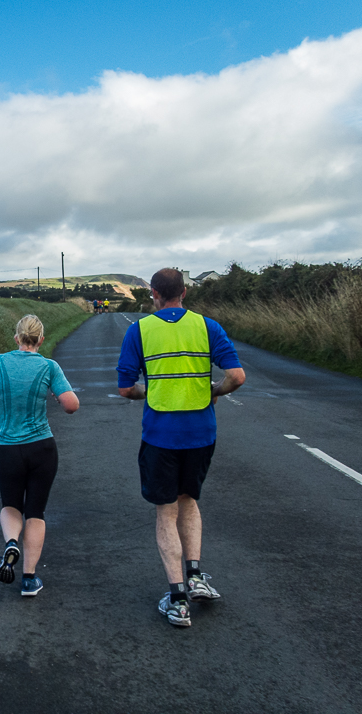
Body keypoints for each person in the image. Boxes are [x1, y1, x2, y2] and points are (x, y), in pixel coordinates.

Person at [116, 268, 245, 627]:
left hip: (160, 435)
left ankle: (177, 600)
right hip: (201, 433)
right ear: (184, 292)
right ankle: (197, 577)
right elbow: (236, 376)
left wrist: (150, 392)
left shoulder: (138, 331)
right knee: (189, 501)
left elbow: (126, 388)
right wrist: (212, 391)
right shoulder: (208, 327)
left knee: (165, 511)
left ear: (154, 294)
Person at [0, 314, 80, 597]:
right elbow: (71, 405)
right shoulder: (49, 366)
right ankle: (29, 579)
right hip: (42, 447)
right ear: (41, 340)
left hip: (8, 448)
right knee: (36, 511)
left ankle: (10, 543)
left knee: (10, 504)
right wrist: (57, 396)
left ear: (17, 338)